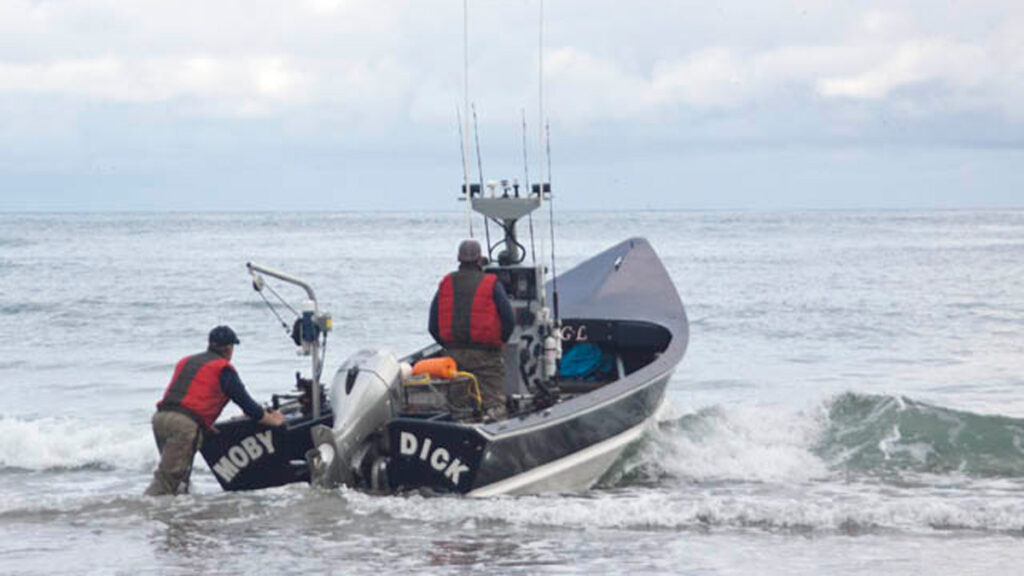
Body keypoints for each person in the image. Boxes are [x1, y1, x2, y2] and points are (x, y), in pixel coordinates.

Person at [145, 325, 284, 496]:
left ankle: (177, 517)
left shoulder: (187, 361)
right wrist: (275, 420)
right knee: (168, 479)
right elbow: (248, 406)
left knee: (179, 476)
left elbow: (187, 395)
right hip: (184, 424)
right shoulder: (223, 369)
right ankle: (143, 516)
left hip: (161, 419)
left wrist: (202, 423)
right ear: (228, 349)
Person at [428, 239, 515, 419]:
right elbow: (509, 319)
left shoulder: (445, 283)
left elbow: (433, 325)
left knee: (458, 405)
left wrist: (448, 345)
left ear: (459, 259)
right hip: (486, 356)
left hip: (452, 356)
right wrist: (500, 342)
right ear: (479, 260)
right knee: (493, 404)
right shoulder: (491, 283)